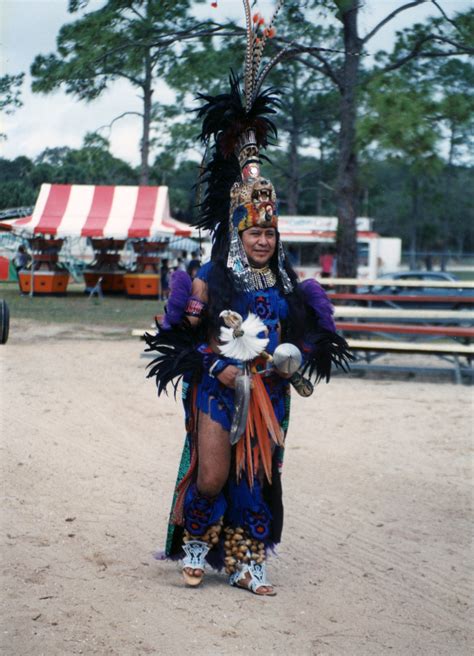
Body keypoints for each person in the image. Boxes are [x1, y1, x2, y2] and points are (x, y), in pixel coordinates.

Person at [145, 4, 351, 597]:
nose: (263, 239)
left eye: (269, 233)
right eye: (253, 232)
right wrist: (213, 365)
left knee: (255, 480)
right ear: (238, 233)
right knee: (212, 475)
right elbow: (181, 337)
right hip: (217, 386)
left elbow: (313, 338)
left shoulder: (288, 282)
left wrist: (299, 356)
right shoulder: (210, 275)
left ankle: (245, 561)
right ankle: (194, 543)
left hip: (269, 394)